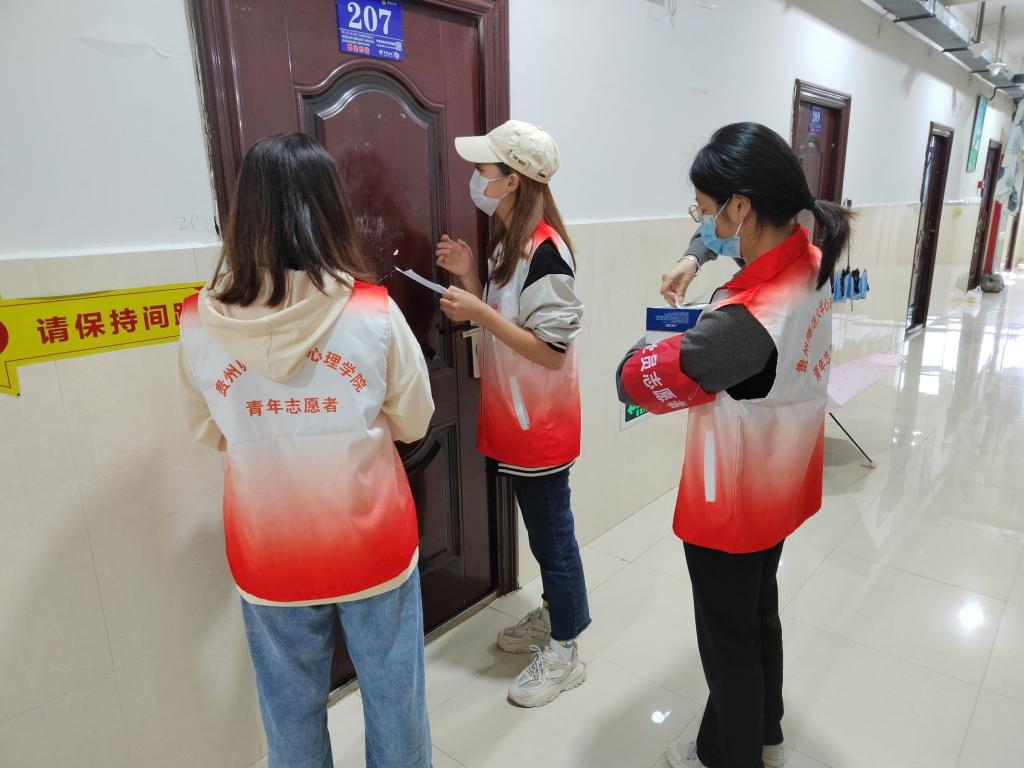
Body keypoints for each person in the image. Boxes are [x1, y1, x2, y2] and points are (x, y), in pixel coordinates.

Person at [177, 133, 434, 768]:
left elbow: (208, 430)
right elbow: (414, 420)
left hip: (268, 547)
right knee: (396, 703)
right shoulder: (372, 313)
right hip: (371, 541)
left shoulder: (199, 322)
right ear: (329, 209)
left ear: (245, 212)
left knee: (288, 714)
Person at [617, 122, 852, 768]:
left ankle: (732, 754)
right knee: (757, 611)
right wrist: (695, 256)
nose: (704, 222)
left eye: (707, 210)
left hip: (732, 500)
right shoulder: (808, 254)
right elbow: (719, 244)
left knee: (728, 646)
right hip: (781, 478)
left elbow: (635, 381)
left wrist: (648, 349)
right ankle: (764, 726)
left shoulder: (750, 319)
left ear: (742, 207)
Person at [433, 120, 589, 707]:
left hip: (541, 425)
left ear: (514, 181)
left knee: (553, 537)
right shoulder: (509, 244)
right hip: (516, 419)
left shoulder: (547, 252)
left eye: (485, 171)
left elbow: (550, 350)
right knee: (545, 534)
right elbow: (508, 319)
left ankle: (567, 649)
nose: (477, 179)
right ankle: (554, 616)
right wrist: (472, 277)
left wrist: (479, 310)